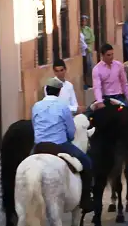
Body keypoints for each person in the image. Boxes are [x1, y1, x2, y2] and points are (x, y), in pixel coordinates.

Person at [32, 77, 93, 212]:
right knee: (87, 162)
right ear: (59, 92)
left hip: (39, 146)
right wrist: (69, 137)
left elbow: (34, 125)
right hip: (59, 145)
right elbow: (71, 132)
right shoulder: (63, 107)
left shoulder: (36, 106)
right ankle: (86, 199)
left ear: (46, 90)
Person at [81, 15, 95, 87]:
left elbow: (92, 39)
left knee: (90, 65)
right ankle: (86, 82)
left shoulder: (89, 29)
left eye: (85, 21)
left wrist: (86, 40)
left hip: (89, 50)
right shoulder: (80, 30)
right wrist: (86, 40)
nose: (84, 22)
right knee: (85, 66)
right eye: (82, 21)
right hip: (83, 50)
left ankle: (90, 82)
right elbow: (82, 40)